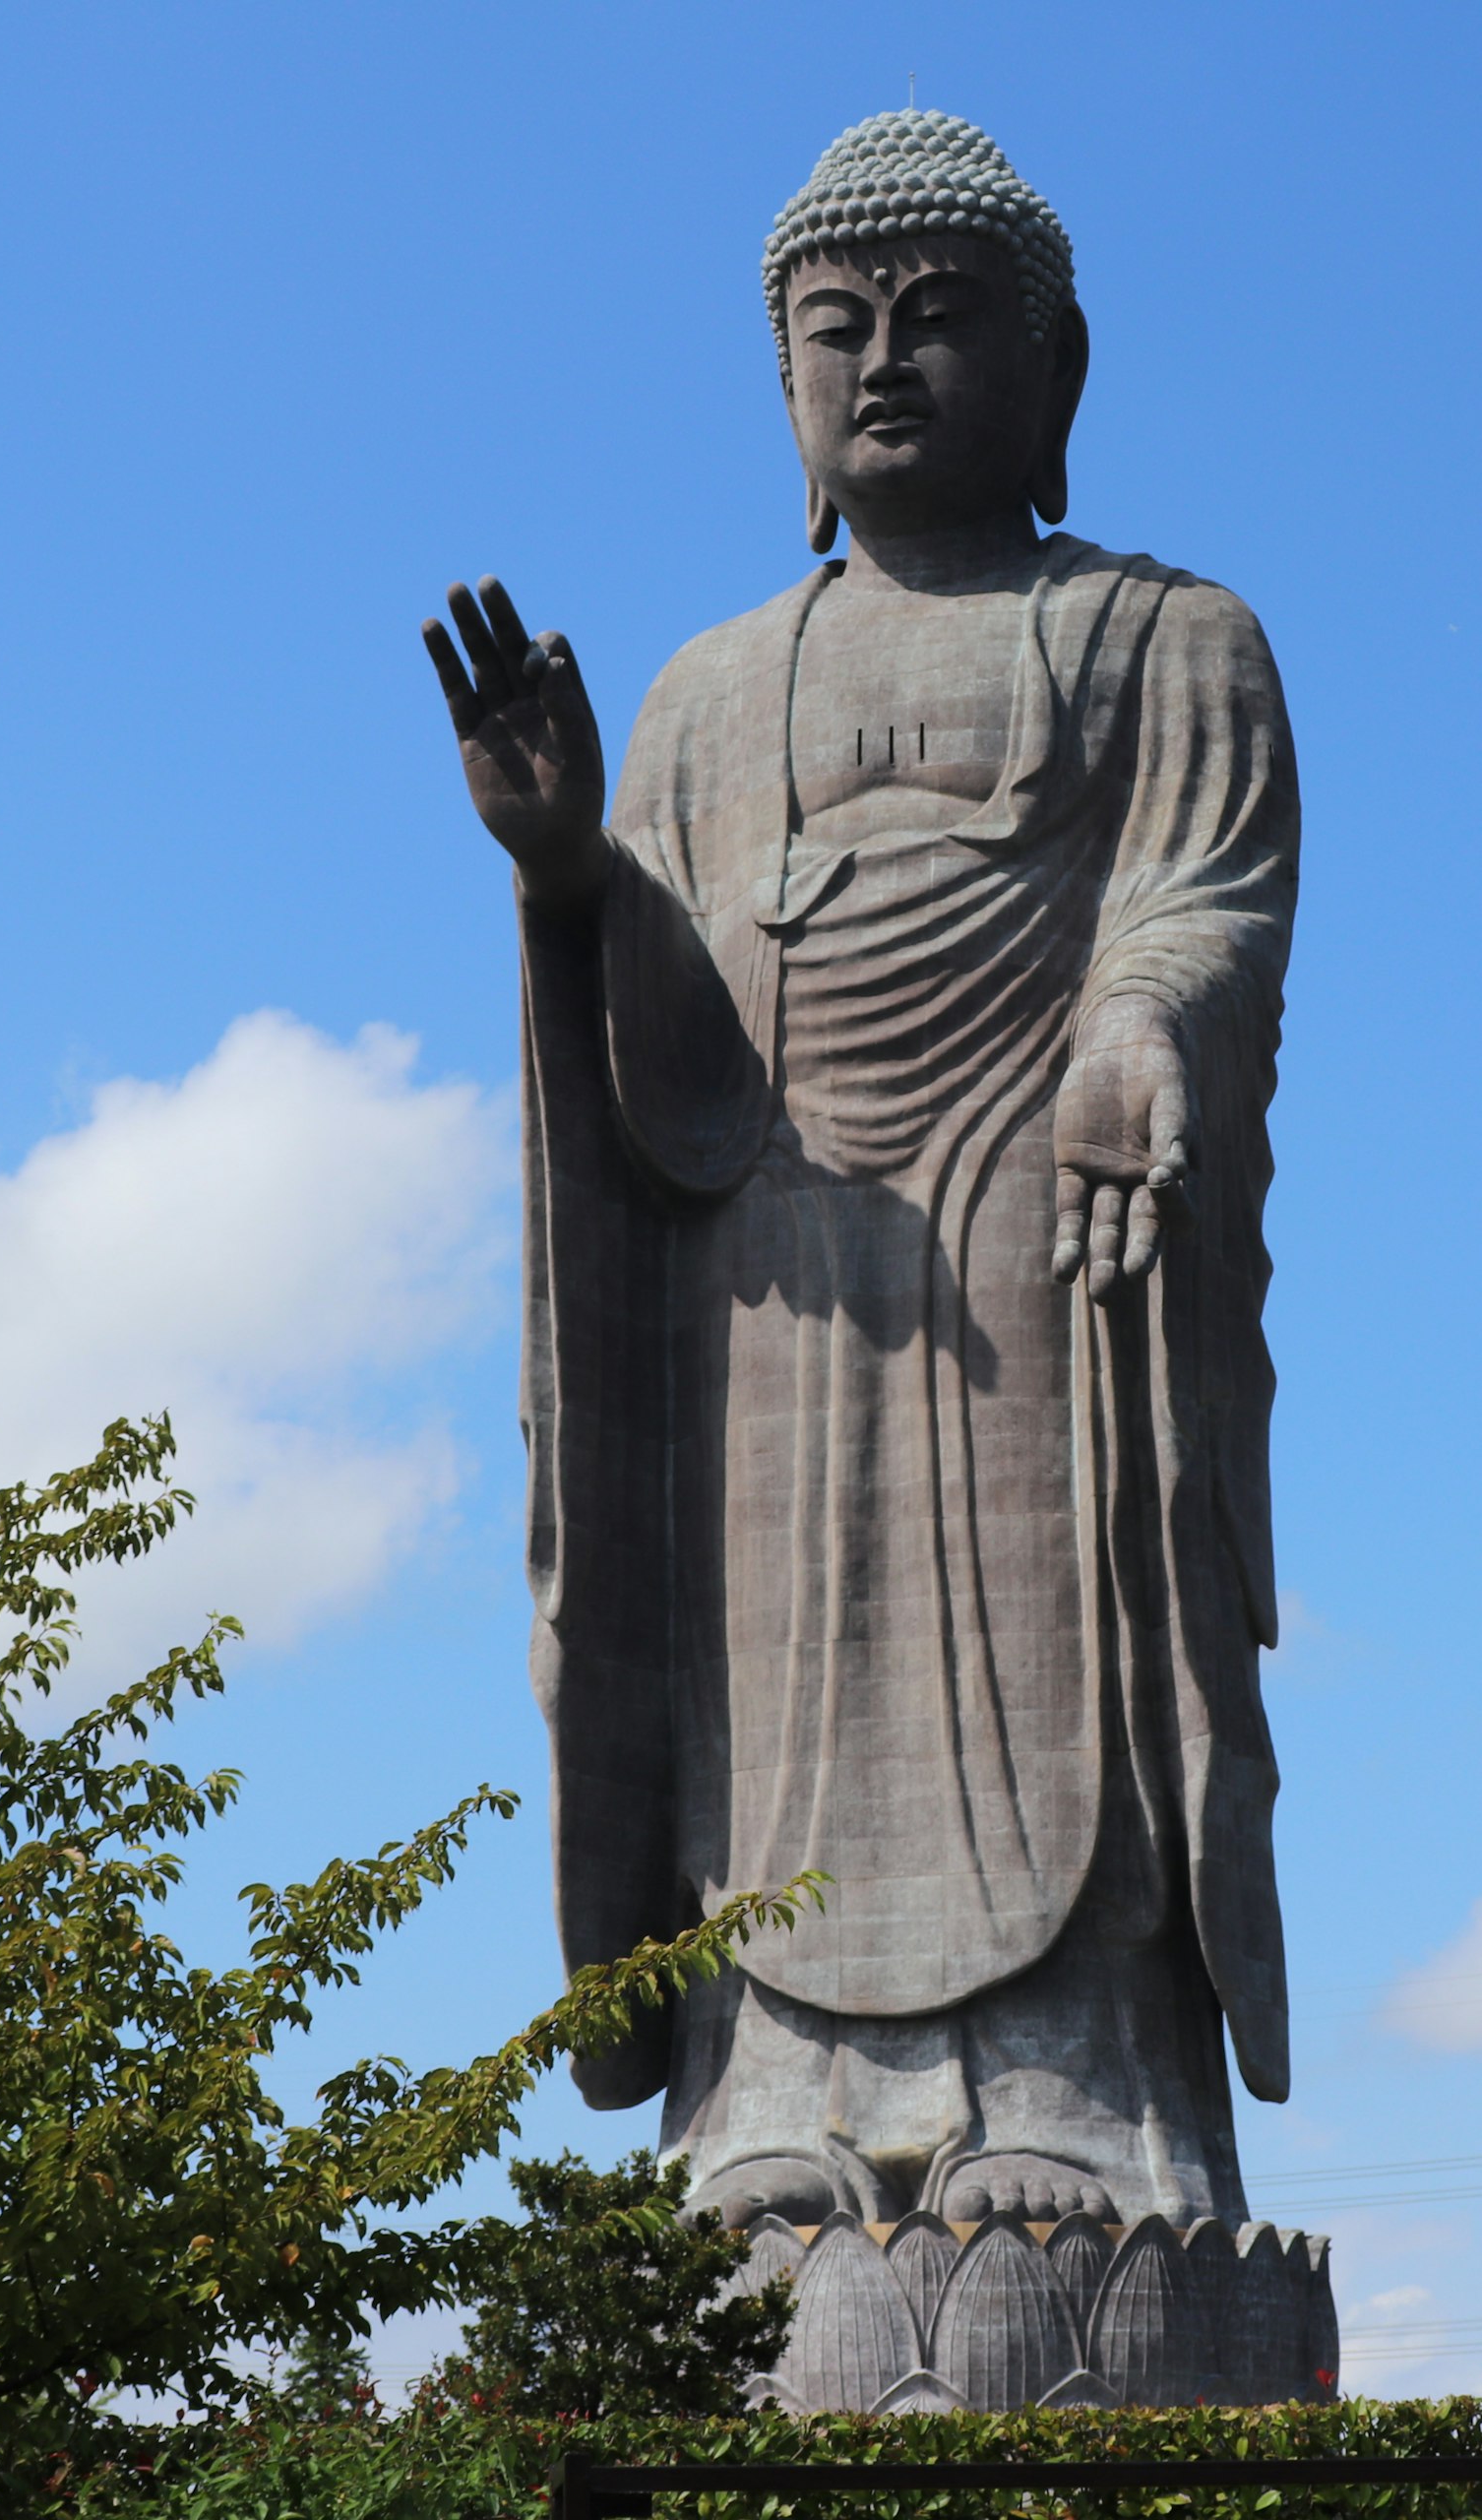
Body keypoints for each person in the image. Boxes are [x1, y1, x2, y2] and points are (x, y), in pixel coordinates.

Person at [420, 110, 1300, 2233]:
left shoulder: (1167, 640)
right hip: (776, 1283)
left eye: (940, 321)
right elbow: (680, 1044)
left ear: (1058, 373)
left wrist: (1130, 1033)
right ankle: (767, 2098)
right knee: (773, 1696)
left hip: (1038, 1239)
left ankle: (1081, 2093)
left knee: (1054, 1638)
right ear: (787, 391)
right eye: (840, 330)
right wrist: (566, 872)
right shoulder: (710, 694)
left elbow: (1204, 897)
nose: (886, 363)